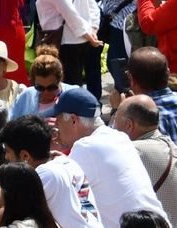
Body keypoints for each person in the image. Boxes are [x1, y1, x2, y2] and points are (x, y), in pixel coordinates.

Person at [53, 87, 166, 228]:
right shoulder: (119, 137)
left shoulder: (85, 147)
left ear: (74, 120)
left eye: (58, 120)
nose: (56, 125)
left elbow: (62, 199)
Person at [0, 114, 102, 228]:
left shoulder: (43, 176)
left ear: (25, 156)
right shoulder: (67, 162)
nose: (6, 157)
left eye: (7, 151)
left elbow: (3, 218)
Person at [112, 96, 177, 228]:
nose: (113, 128)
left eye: (114, 122)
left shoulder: (132, 151)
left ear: (129, 125)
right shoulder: (170, 145)